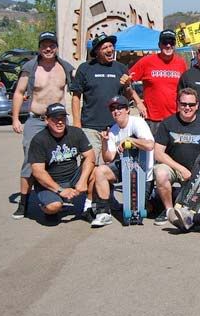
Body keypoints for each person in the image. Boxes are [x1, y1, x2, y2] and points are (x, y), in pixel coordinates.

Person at [11, 31, 75, 220]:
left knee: (60, 160)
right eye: (44, 45)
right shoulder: (30, 68)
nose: (48, 49)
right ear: (39, 47)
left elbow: (77, 92)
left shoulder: (65, 67)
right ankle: (23, 204)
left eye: (51, 45)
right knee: (30, 162)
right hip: (36, 120)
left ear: (56, 47)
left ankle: (55, 196)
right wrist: (15, 118)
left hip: (60, 121)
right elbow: (18, 92)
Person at [153, 88, 200, 225]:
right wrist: (180, 168)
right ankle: (168, 211)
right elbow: (158, 153)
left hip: (198, 173)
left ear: (197, 105)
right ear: (178, 104)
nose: (187, 108)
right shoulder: (167, 123)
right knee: (161, 173)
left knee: (193, 215)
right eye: (183, 104)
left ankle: (184, 206)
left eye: (191, 105)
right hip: (174, 168)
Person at [71, 33, 139, 165]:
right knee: (90, 165)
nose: (110, 50)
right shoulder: (85, 68)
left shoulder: (121, 68)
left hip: (115, 127)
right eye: (105, 47)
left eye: (111, 46)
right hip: (90, 127)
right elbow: (76, 97)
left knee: (113, 167)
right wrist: (76, 124)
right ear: (96, 51)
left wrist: (127, 86)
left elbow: (126, 98)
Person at [90, 95, 155, 228]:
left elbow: (149, 145)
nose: (116, 111)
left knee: (138, 212)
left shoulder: (137, 122)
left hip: (143, 174)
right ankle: (104, 212)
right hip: (126, 171)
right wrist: (104, 142)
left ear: (128, 110)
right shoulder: (113, 130)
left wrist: (130, 140)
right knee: (100, 171)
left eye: (120, 108)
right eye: (113, 109)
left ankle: (154, 202)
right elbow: (108, 158)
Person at [27, 103, 95, 218]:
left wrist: (82, 181)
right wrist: (60, 191)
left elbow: (90, 156)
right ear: (47, 120)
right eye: (55, 119)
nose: (60, 122)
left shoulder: (76, 133)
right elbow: (38, 172)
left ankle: (88, 207)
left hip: (72, 177)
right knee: (54, 206)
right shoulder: (39, 140)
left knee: (96, 171)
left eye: (62, 118)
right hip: (50, 182)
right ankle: (47, 206)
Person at [127, 29, 188, 139]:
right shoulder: (146, 61)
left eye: (171, 42)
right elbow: (126, 81)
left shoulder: (181, 63)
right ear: (159, 44)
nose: (168, 45)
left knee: (172, 155)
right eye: (165, 42)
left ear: (175, 45)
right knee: (151, 154)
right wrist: (138, 102)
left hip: (175, 119)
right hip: (152, 120)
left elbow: (186, 89)